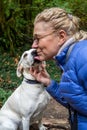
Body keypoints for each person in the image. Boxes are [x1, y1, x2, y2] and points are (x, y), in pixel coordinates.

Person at [30, 7, 87, 130]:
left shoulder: (83, 56)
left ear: (61, 36)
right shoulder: (69, 58)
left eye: (38, 38)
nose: (33, 45)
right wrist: (49, 83)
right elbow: (77, 103)